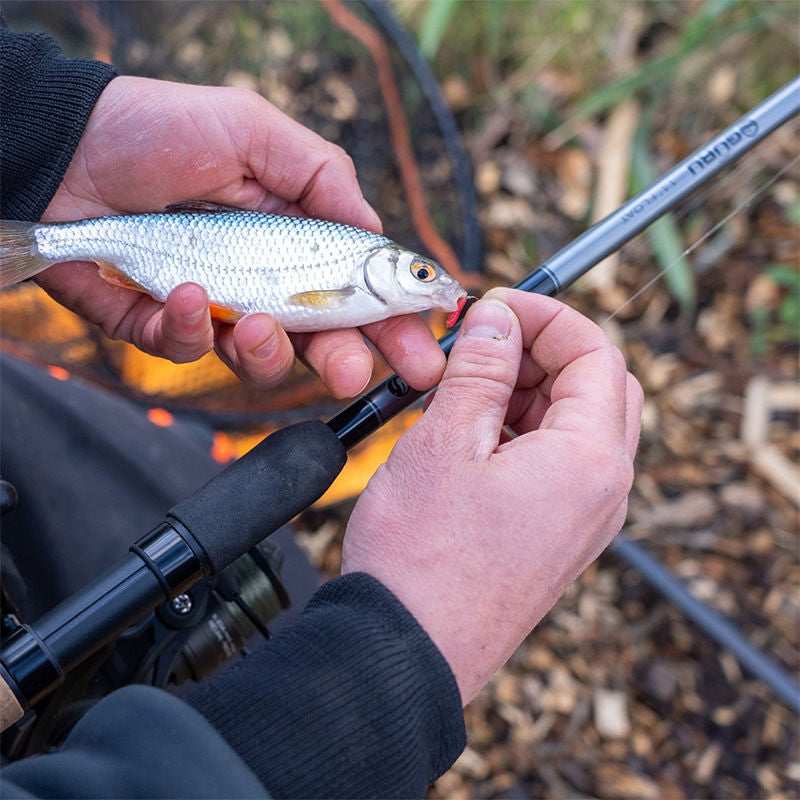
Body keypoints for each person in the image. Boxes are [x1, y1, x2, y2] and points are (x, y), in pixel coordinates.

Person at [0, 23, 642, 799]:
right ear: (380, 271)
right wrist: (400, 651)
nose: (431, 282)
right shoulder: (344, 272)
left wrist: (45, 124)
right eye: (416, 272)